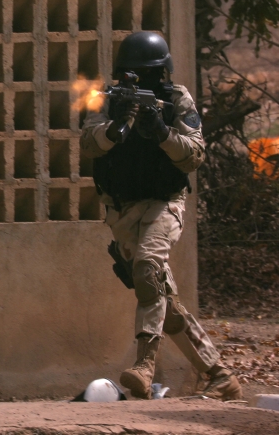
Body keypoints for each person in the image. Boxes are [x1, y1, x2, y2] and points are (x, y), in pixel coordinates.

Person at [80, 31, 241, 400]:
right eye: (133, 74)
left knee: (148, 268)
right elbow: (89, 144)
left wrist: (163, 133)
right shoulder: (106, 100)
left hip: (164, 203)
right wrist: (114, 127)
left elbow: (194, 156)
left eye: (148, 75)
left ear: (162, 74)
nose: (140, 82)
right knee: (162, 299)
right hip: (121, 211)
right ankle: (219, 374)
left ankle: (144, 365)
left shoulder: (176, 99)